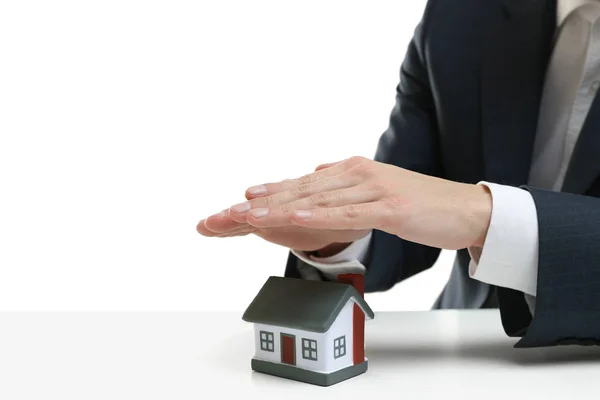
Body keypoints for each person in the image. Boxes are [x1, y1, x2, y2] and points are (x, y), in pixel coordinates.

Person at [197, 0, 600, 348]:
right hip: (461, 352)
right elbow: (415, 199)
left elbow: (461, 212)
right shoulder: (463, 14)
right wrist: (342, 237)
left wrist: (489, 217)